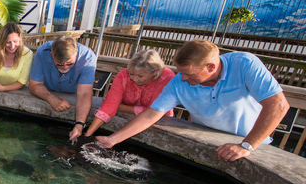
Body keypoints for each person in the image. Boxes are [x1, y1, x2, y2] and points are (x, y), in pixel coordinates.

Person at [96, 39, 290, 163]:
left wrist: (246, 145)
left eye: (189, 74)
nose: (183, 79)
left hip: (250, 143)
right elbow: (150, 115)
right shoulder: (178, 81)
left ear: (211, 66)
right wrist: (112, 140)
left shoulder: (245, 64)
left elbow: (278, 105)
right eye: (181, 72)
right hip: (206, 141)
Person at [84, 49, 175, 137]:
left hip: (161, 121)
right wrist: (88, 134)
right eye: (131, 74)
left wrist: (119, 107)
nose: (134, 79)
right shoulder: (123, 75)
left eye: (140, 76)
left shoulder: (167, 78)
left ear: (155, 71)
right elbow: (109, 105)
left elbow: (152, 112)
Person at [29, 34, 96, 140]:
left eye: (70, 63)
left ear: (76, 55)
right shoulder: (43, 52)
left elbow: (84, 93)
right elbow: (34, 84)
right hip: (48, 90)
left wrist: (79, 124)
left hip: (74, 94)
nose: (65, 67)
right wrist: (51, 98)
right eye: (59, 64)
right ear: (51, 55)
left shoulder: (88, 57)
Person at [0, 22, 33, 119]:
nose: (12, 46)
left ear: (20, 37)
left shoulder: (27, 54)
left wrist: (2, 88)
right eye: (8, 42)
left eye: (15, 41)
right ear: (2, 41)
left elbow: (21, 82)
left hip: (15, 95)